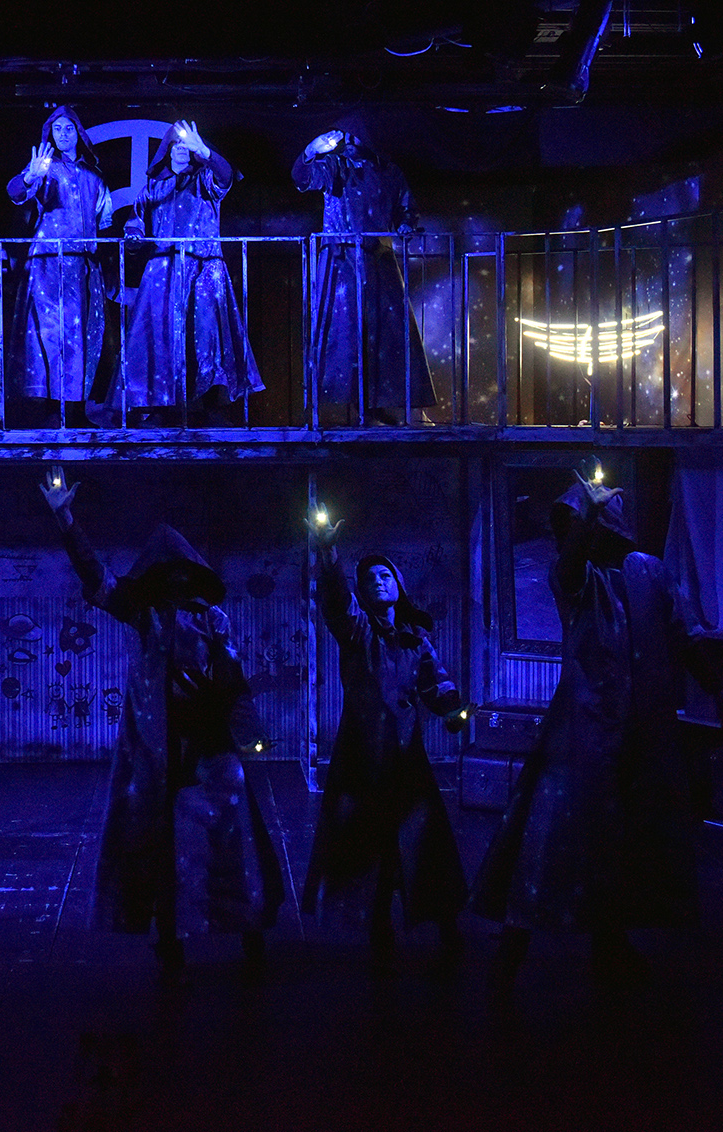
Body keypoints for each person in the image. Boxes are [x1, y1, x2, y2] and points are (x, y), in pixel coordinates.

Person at [470, 470, 723, 991]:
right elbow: (568, 569)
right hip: (582, 729)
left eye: (589, 521)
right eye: (574, 525)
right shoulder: (577, 579)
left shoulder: (650, 573)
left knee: (624, 838)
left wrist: (720, 690)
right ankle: (512, 951)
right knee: (551, 835)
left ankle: (610, 945)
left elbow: (682, 637)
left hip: (642, 729)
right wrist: (587, 518)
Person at [39, 464, 284, 977]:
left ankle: (248, 928)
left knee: (229, 834)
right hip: (156, 746)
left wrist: (247, 734)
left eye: (182, 570)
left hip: (208, 744)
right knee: (160, 842)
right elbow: (97, 577)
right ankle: (170, 938)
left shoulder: (211, 618)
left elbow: (232, 676)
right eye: (166, 570)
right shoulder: (143, 612)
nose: (175, 578)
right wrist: (66, 522)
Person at [301, 504, 470, 965]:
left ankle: (446, 924)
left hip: (406, 757)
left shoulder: (416, 640)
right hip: (361, 756)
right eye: (369, 577)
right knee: (368, 844)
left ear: (398, 586)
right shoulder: (357, 631)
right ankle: (378, 925)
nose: (377, 581)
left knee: (423, 841)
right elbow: (336, 600)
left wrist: (454, 710)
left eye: (385, 575)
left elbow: (436, 684)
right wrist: (329, 555)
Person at [110, 120, 264, 426]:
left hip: (203, 270)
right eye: (176, 144)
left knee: (207, 337)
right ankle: (160, 407)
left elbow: (225, 176)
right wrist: (134, 235)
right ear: (167, 150)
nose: (181, 149)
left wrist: (205, 152)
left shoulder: (205, 179)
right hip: (163, 274)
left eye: (185, 145)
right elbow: (136, 220)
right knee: (160, 338)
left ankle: (210, 405)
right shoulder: (154, 186)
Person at [291, 115, 439, 425]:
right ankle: (346, 410)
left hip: (378, 261)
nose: (346, 140)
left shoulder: (389, 171)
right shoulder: (336, 166)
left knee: (385, 335)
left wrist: (405, 225)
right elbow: (303, 179)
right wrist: (310, 151)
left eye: (350, 134)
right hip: (341, 262)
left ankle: (380, 407)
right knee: (345, 335)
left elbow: (406, 208)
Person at [7, 106, 117, 426]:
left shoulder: (93, 174)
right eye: (57, 129)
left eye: (69, 128)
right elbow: (17, 192)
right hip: (48, 266)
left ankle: (77, 409)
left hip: (83, 266)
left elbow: (104, 220)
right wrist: (30, 177)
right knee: (50, 334)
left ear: (78, 133)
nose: (63, 134)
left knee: (83, 336)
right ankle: (53, 410)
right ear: (50, 135)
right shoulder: (45, 167)